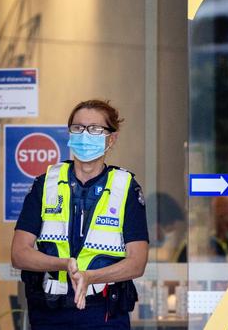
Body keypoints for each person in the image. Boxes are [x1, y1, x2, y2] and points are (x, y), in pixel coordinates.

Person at [11, 99, 149, 329]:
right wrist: (65, 264)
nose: (85, 135)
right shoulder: (46, 184)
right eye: (78, 128)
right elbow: (19, 254)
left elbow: (137, 262)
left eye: (95, 129)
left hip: (103, 311)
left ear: (111, 139)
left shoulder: (126, 188)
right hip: (49, 310)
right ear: (70, 134)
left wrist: (90, 277)